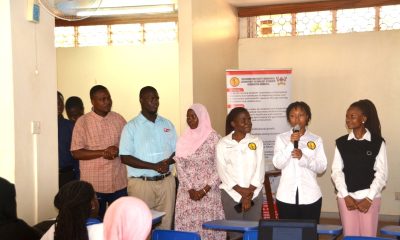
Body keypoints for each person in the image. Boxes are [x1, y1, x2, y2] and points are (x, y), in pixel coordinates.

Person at [119, 86, 177, 230]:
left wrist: (167, 162)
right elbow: (125, 157)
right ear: (141, 100)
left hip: (166, 183)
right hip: (142, 185)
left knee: (165, 225)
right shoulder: (131, 127)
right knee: (141, 227)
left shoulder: (167, 124)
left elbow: (178, 151)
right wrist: (153, 166)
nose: (155, 102)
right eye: (151, 98)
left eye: (157, 98)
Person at [331, 99, 388, 237]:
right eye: (346, 116)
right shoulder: (341, 142)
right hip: (346, 198)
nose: (348, 120)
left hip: (370, 197)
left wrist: (369, 198)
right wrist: (345, 195)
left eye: (352, 116)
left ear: (363, 118)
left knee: (368, 236)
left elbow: (382, 173)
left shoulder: (377, 142)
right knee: (350, 236)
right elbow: (336, 172)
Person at [71, 85, 128, 220]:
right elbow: (76, 152)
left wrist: (117, 150)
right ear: (92, 101)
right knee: (95, 222)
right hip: (94, 186)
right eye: (102, 99)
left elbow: (129, 145)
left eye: (108, 98)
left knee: (119, 221)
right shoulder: (82, 122)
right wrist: (103, 152)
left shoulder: (118, 119)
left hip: (118, 182)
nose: (107, 102)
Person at [174, 104, 225, 240]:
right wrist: (190, 189)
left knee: (209, 227)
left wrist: (204, 190)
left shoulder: (214, 138)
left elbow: (220, 166)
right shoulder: (183, 139)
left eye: (193, 116)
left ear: (202, 117)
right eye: (188, 117)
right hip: (187, 194)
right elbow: (179, 165)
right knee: (189, 228)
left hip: (209, 191)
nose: (190, 120)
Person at [272, 101, 327, 223]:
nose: (297, 119)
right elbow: (277, 164)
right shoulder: (281, 139)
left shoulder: (316, 139)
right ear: (288, 119)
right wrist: (290, 144)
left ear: (307, 117)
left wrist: (304, 158)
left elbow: (322, 167)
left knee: (309, 234)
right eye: (292, 116)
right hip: (286, 196)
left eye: (301, 115)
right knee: (289, 234)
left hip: (310, 196)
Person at [216, 107, 265, 240]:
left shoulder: (256, 141)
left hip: (254, 194)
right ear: (233, 124)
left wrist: (248, 194)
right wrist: (242, 192)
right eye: (243, 120)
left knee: (253, 233)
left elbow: (260, 170)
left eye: (249, 119)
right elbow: (222, 171)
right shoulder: (223, 143)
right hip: (231, 194)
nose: (248, 122)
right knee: (235, 235)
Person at [57, 91, 78, 188]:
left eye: (60, 103)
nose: (58, 105)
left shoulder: (70, 126)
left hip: (68, 175)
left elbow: (76, 153)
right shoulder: (41, 127)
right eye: (54, 102)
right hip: (46, 175)